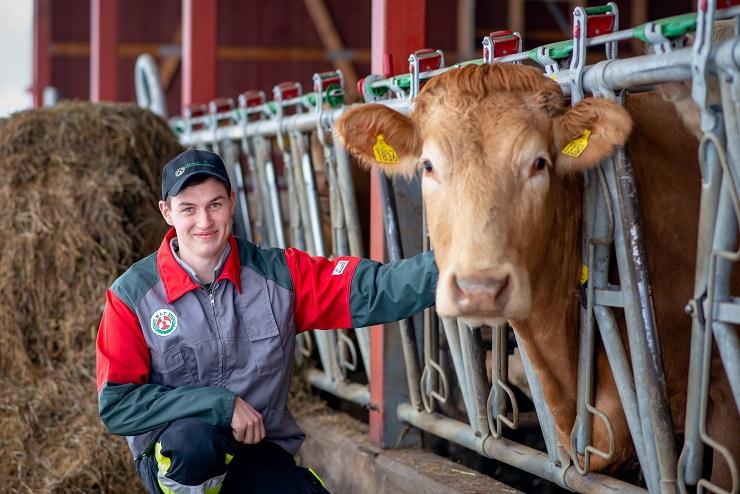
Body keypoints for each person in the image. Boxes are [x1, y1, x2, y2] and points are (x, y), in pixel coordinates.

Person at [96, 149, 438, 494]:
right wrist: (219, 405)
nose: (204, 222)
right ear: (166, 212)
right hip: (179, 457)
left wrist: (455, 265)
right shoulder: (133, 295)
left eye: (215, 205)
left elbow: (373, 289)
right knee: (194, 440)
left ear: (231, 203)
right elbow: (118, 406)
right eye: (188, 208)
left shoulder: (278, 276)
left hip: (257, 448)